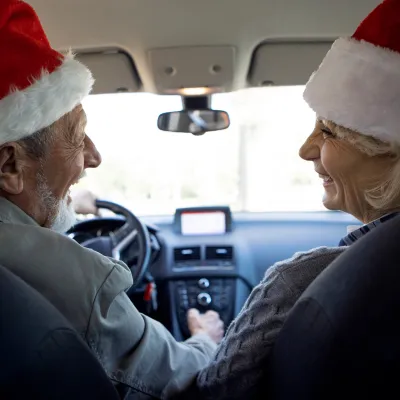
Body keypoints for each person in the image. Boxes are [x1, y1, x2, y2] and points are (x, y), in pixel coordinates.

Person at [0, 1, 224, 399]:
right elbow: (176, 377)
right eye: (75, 135)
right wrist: (205, 338)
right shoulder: (73, 279)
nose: (93, 155)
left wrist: (66, 198)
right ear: (9, 165)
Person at [177, 0, 400, 398]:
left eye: (328, 131)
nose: (305, 149)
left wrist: (204, 340)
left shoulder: (299, 281)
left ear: (391, 150)